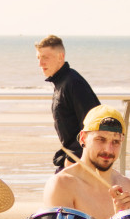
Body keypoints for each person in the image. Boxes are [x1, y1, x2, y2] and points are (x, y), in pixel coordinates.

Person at [44, 105, 130, 219]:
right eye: (101, 139)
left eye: (115, 141)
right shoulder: (61, 185)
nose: (108, 150)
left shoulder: (129, 187)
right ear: (83, 138)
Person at [36, 35, 100, 172]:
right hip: (73, 157)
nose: (40, 64)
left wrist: (72, 158)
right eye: (38, 58)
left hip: (81, 160)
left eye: (45, 58)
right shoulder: (62, 82)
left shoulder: (73, 83)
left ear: (60, 57)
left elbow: (94, 124)